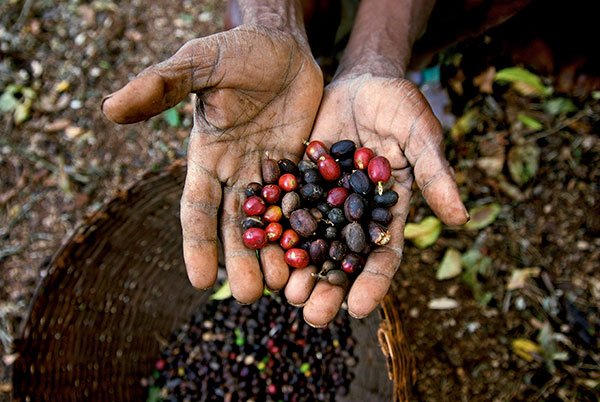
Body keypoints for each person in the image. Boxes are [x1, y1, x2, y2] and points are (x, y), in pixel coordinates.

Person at [103, 0, 552, 328]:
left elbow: (329, 212)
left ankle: (400, 62)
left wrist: (379, 56)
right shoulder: (318, 199)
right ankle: (321, 53)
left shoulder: (333, 197)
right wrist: (274, 22)